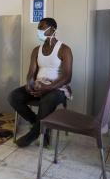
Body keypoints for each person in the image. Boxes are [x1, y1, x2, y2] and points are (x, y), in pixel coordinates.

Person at [8, 17, 73, 147]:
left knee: (47, 101)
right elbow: (31, 73)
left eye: (42, 28)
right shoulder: (36, 50)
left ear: (53, 29)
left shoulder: (64, 49)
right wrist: (30, 84)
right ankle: (39, 124)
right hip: (39, 86)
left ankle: (33, 134)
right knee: (13, 96)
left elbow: (67, 77)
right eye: (38, 28)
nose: (39, 31)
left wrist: (47, 88)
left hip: (57, 89)